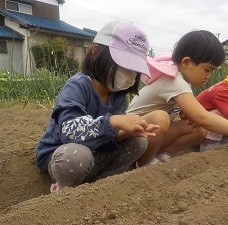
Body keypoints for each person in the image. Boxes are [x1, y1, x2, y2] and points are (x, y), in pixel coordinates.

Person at [35, 20, 170, 192]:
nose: (130, 75)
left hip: (96, 153)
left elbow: (111, 134)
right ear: (96, 51)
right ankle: (65, 188)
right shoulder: (78, 86)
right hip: (64, 155)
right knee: (76, 157)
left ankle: (100, 187)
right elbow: (69, 132)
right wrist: (113, 121)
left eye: (134, 70)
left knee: (139, 142)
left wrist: (129, 130)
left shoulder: (118, 95)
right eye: (124, 66)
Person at [126, 30, 228, 161]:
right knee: (161, 118)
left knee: (198, 130)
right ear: (186, 62)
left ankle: (161, 153)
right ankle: (143, 162)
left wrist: (186, 114)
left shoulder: (181, 79)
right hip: (128, 137)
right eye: (207, 70)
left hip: (146, 135)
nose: (208, 76)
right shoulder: (174, 80)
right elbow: (203, 117)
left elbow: (194, 118)